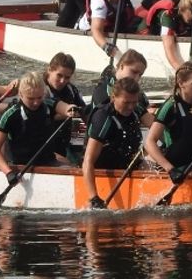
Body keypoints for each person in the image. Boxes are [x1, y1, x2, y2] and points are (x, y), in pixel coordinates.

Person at [0, 72, 78, 185]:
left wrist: (71, 109)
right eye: (31, 98)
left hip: (47, 161)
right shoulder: (10, 114)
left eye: (39, 97)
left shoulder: (47, 104)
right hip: (19, 166)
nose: (36, 102)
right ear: (20, 95)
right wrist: (8, 172)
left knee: (74, 168)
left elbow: (65, 107)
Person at [83, 76, 146, 208]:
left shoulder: (136, 110)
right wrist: (93, 197)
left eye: (134, 102)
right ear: (113, 98)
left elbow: (158, 127)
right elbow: (88, 161)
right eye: (126, 102)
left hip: (128, 164)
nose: (130, 107)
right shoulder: (103, 117)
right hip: (105, 168)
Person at [78, 0, 148, 61]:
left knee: (144, 23)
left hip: (116, 23)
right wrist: (106, 47)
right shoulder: (98, 1)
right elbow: (96, 30)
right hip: (94, 28)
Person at [86, 49, 155, 127]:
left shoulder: (138, 93)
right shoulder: (103, 89)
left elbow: (148, 116)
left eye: (140, 75)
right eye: (134, 72)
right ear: (121, 66)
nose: (137, 78)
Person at [44, 51, 86, 164]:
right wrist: (64, 114)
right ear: (50, 70)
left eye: (67, 77)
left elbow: (83, 112)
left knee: (80, 121)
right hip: (46, 141)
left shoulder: (71, 90)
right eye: (59, 75)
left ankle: (77, 154)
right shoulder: (40, 90)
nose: (62, 81)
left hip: (69, 139)